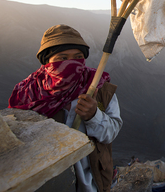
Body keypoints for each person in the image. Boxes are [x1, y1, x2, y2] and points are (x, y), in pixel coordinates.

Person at [8, 24, 123, 192]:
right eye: (62, 58)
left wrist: (94, 116)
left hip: (93, 184)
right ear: (47, 62)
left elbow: (112, 132)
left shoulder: (100, 88)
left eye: (77, 57)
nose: (71, 63)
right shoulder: (29, 95)